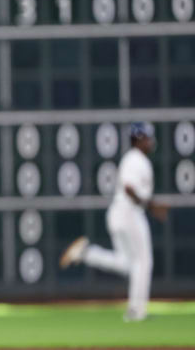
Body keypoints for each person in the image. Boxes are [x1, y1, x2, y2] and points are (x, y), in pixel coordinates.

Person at [60, 122, 168, 322]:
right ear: (139, 138)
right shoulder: (135, 159)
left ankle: (86, 254)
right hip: (129, 213)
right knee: (143, 262)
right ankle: (136, 311)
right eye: (147, 138)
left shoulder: (134, 159)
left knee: (127, 263)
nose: (151, 142)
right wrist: (152, 206)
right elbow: (128, 188)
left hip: (120, 214)